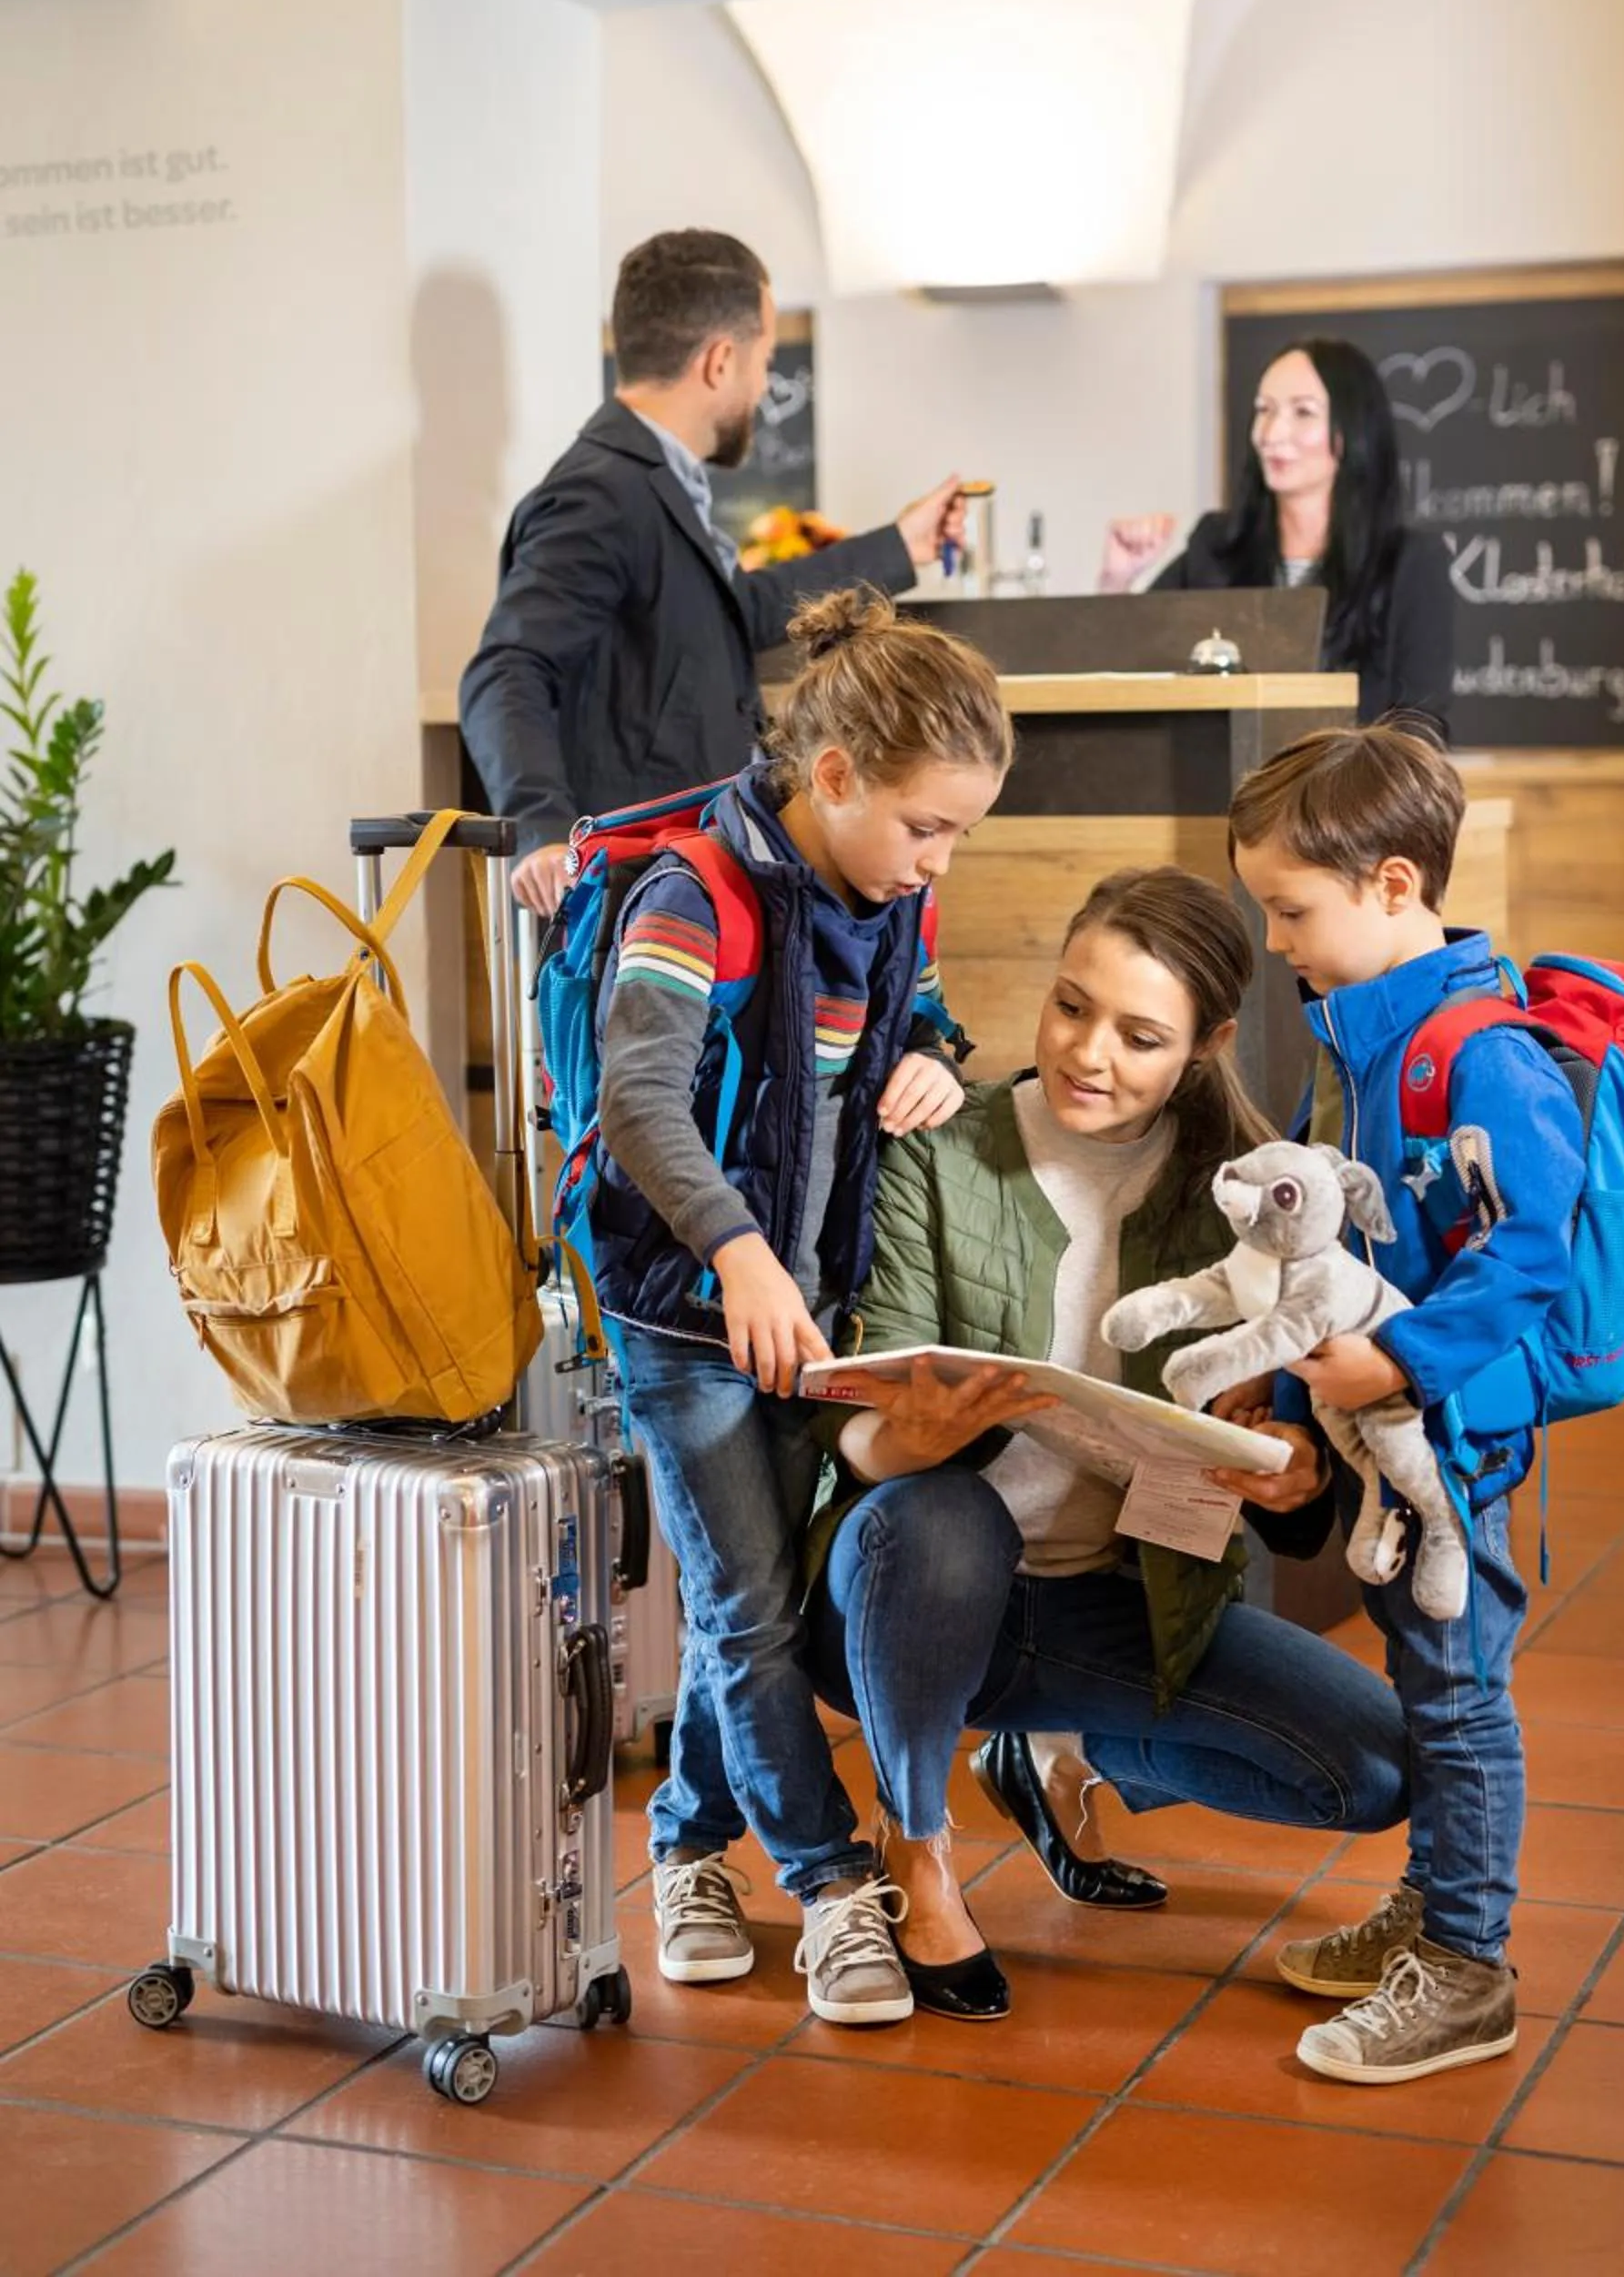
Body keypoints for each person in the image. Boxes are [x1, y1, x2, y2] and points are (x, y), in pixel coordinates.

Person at [802, 867, 1411, 2020]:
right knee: (941, 1517)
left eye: (1139, 1037)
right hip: (907, 1594)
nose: (1087, 1054)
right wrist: (902, 1440)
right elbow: (855, 1446)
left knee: (1372, 1771)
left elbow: (1300, 1467)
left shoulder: (1255, 1193)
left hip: (1110, 1607)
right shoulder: (939, 1145)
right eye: (1070, 1006)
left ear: (1205, 1044)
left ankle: (1062, 1754)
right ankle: (915, 1855)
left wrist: (1291, 1477)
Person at [592, 587, 1014, 2028]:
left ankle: (685, 1850)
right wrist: (738, 1254)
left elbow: (918, 1018)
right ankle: (834, 1885)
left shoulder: (896, 898)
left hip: (809, 1307)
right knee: (750, 1608)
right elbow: (638, 1103)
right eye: (926, 827)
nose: (938, 860)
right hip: (686, 1308)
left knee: (748, 1600)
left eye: (958, 835)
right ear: (832, 776)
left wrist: (938, 1059)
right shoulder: (689, 897)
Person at [1226, 720, 1582, 2083]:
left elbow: (1532, 1247)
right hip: (1386, 1440)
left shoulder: (1478, 1050)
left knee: (1457, 1694)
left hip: (1454, 1439)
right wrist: (1296, 1382)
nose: (1276, 942)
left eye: (1290, 911)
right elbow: (1330, 1241)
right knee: (1423, 1673)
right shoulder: (1360, 1042)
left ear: (1390, 885)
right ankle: (1435, 1909)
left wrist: (1407, 1362)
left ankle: (1468, 1969)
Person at [459, 227, 969, 916]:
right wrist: (543, 831)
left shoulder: (655, 485)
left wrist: (900, 547)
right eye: (763, 361)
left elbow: (738, 609)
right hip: (637, 895)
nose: (762, 386)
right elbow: (505, 669)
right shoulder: (600, 494)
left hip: (685, 880)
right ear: (721, 360)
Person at [1098, 337, 1454, 730]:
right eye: (1264, 410)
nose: (1272, 432)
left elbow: (1421, 726)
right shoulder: (1215, 547)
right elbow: (1124, 670)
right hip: (1222, 771)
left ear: (1353, 429)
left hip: (1350, 772)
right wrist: (1118, 579)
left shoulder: (1411, 563)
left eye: (1303, 412)